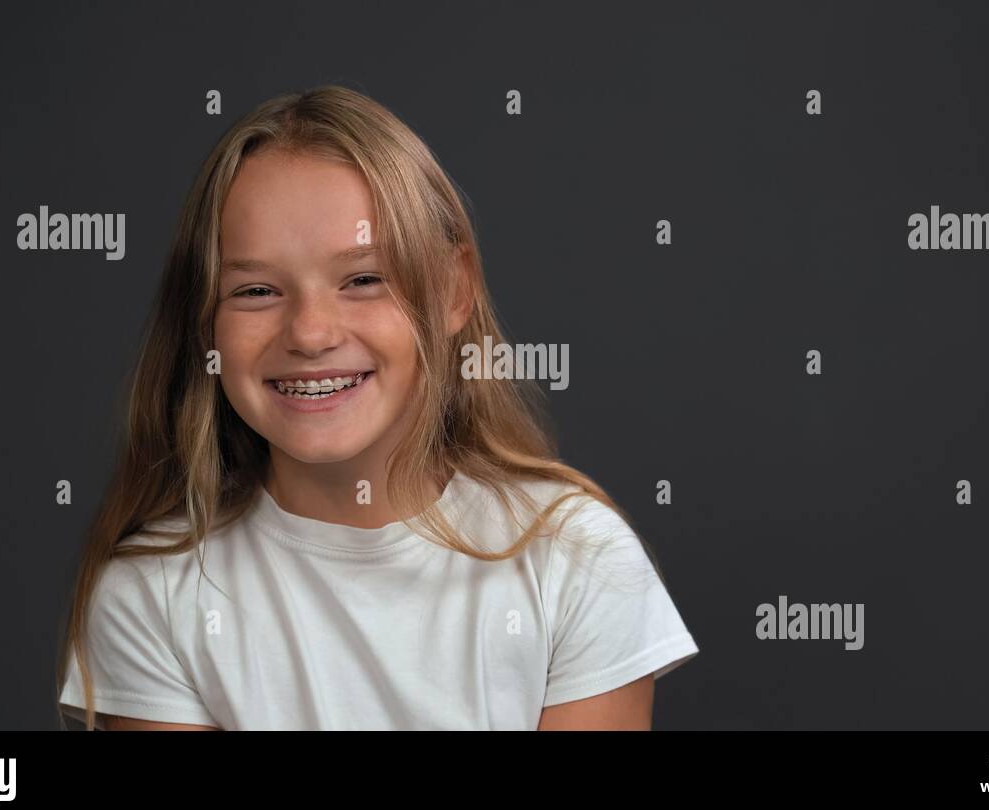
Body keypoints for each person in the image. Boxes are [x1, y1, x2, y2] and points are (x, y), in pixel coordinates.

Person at [56, 85, 698, 730]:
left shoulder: (575, 559)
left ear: (452, 289)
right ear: (206, 324)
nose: (310, 333)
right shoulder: (154, 594)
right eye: (255, 290)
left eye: (364, 279)